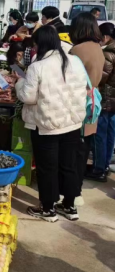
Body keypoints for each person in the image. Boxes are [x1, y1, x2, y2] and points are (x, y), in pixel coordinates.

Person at [15, 26, 88, 222]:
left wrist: (19, 83)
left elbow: (28, 97)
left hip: (46, 125)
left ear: (40, 44)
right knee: (69, 165)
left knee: (47, 168)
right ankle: (69, 206)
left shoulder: (38, 66)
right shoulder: (75, 61)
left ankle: (48, 208)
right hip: (72, 123)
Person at [69, 13, 105, 199]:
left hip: (78, 102)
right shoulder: (98, 48)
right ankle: (77, 189)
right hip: (93, 103)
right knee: (84, 149)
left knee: (73, 152)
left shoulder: (77, 50)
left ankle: (71, 192)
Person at [88, 22, 115, 182]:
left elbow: (101, 78)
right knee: (110, 134)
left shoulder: (108, 54)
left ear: (105, 37)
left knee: (100, 135)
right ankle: (105, 165)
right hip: (113, 101)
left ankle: (98, 169)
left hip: (106, 99)